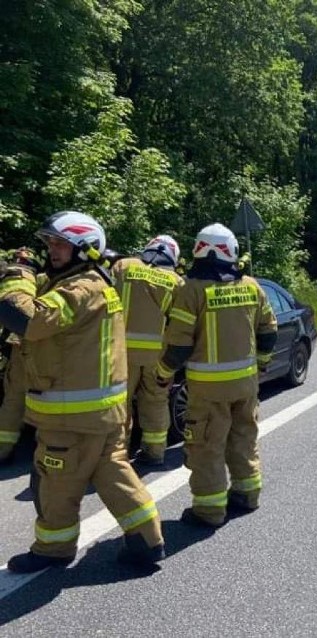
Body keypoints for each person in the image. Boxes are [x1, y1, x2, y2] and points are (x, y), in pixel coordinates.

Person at [0, 211, 165, 573]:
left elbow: (27, 319)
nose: (53, 250)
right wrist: (24, 269)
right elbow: (44, 289)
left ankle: (53, 550)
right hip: (101, 414)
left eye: (61, 244)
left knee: (55, 484)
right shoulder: (89, 283)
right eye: (50, 244)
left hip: (70, 418)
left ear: (85, 248)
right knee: (113, 474)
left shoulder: (82, 289)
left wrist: (15, 277)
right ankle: (147, 540)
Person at [155, 223, 277, 528]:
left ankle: (209, 511)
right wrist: (261, 364)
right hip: (246, 385)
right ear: (232, 252)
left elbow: (178, 346)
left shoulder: (190, 290)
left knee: (207, 447)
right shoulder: (250, 286)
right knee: (243, 438)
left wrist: (162, 373)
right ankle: (247, 495)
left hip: (208, 391)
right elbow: (269, 330)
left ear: (198, 249)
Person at [111, 235, 184, 465]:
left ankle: (117, 456)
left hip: (122, 354)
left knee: (119, 404)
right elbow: (180, 322)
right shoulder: (176, 281)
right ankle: (154, 452)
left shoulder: (123, 266)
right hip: (157, 357)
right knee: (155, 402)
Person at [0, 247, 42, 465]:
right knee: (42, 397)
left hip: (15, 345)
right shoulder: (31, 279)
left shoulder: (6, 274)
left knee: (13, 399)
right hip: (33, 344)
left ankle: (3, 451)